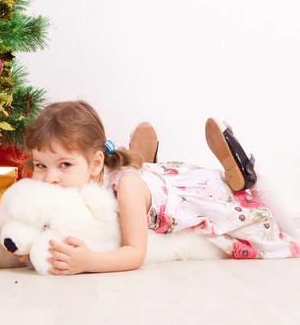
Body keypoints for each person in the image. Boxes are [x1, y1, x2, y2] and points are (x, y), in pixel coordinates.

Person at [20, 100, 300, 275]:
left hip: (200, 191)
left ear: (95, 164)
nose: (50, 178)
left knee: (275, 224)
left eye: (64, 165)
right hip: (153, 178)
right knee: (142, 176)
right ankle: (143, 161)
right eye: (41, 165)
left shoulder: (125, 190)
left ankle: (244, 174)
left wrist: (89, 261)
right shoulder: (61, 184)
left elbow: (134, 253)